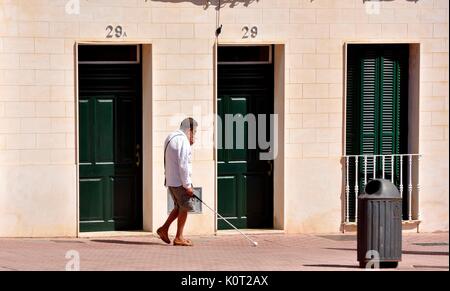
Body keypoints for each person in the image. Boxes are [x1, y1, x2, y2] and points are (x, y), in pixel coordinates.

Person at [157, 117, 198, 246]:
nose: (194, 135)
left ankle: (163, 229)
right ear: (189, 130)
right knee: (184, 207)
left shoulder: (171, 137)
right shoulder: (182, 141)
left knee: (179, 207)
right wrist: (188, 186)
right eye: (194, 132)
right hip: (179, 181)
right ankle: (179, 237)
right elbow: (183, 165)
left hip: (171, 180)